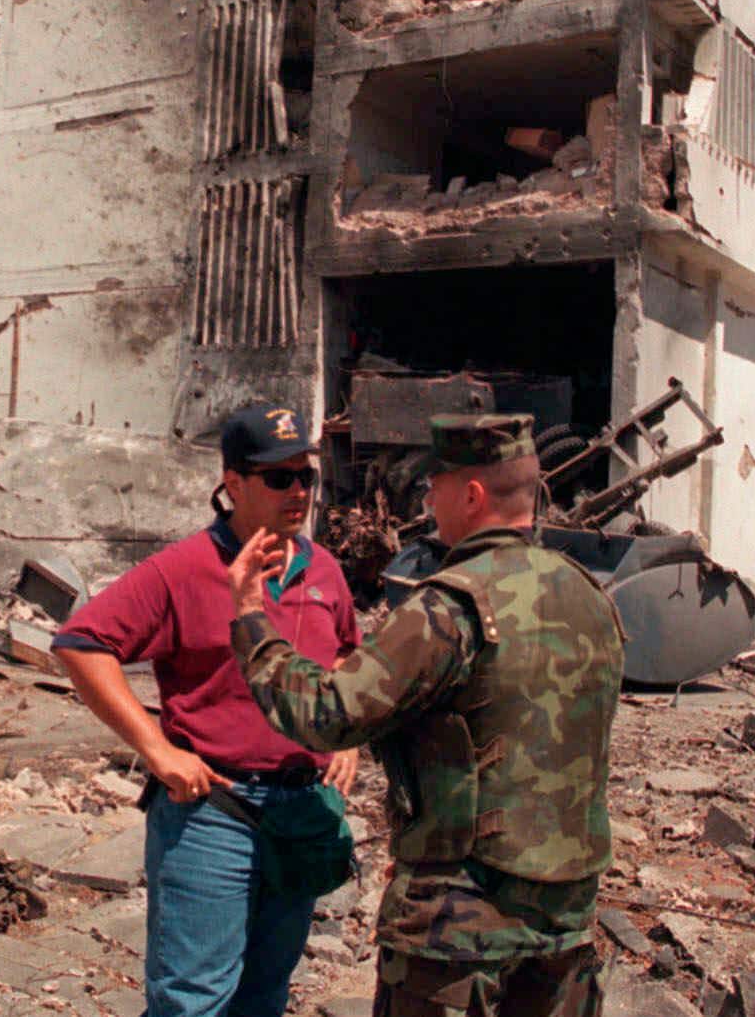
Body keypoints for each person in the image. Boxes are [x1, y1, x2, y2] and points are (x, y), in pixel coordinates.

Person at [226, 415, 625, 1017]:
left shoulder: (449, 607)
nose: (427, 499)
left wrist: (253, 615)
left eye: (434, 486)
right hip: (566, 922)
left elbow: (327, 714)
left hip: (458, 930)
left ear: (472, 495)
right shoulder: (593, 598)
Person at [54, 402, 361, 1017]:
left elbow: (350, 653)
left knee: (265, 995)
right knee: (193, 1000)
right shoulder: (186, 568)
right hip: (213, 815)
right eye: (280, 478)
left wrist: (347, 736)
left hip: (302, 811)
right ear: (234, 483)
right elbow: (83, 643)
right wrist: (156, 749)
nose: (298, 492)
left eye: (307, 477)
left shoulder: (322, 568)